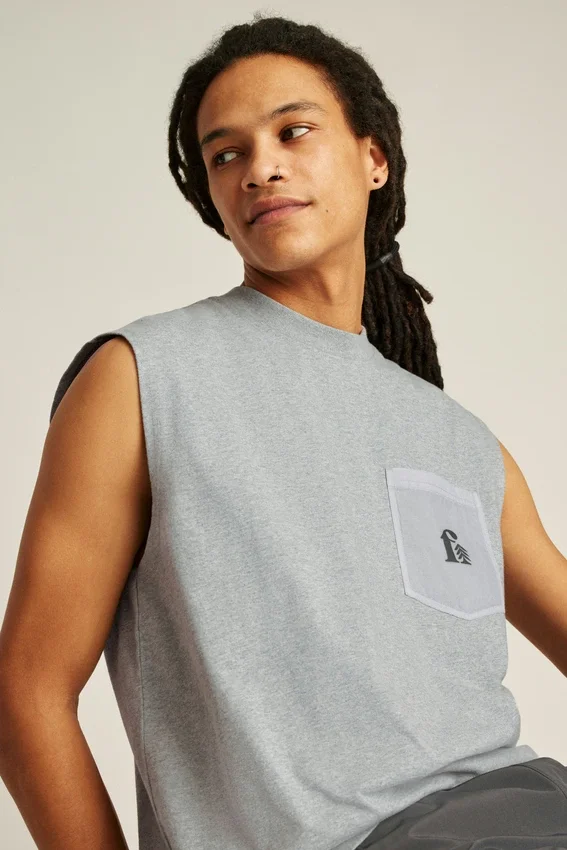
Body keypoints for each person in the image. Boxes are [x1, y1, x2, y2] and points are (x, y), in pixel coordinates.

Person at [1, 12, 567, 850]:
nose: (259, 167)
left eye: (292, 132)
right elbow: (27, 689)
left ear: (373, 158)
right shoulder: (142, 377)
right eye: (225, 155)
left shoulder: (462, 443)